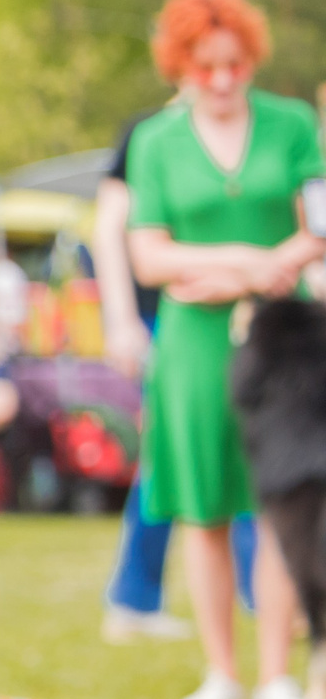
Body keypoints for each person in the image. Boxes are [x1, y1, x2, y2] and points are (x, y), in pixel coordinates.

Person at [122, 0, 326, 699]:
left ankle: (278, 671)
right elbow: (149, 255)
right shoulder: (156, 142)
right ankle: (223, 671)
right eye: (205, 65)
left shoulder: (294, 124)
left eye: (234, 64)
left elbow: (320, 224)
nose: (221, 79)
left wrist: (265, 266)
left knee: (283, 502)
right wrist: (245, 259)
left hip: (285, 336)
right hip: (194, 342)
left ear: (251, 58)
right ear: (182, 64)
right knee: (204, 507)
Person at [94, 104, 256, 641]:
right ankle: (134, 597)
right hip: (168, 315)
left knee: (255, 451)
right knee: (170, 457)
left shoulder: (260, 125)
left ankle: (266, 594)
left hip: (247, 309)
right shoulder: (149, 131)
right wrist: (119, 319)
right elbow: (109, 225)